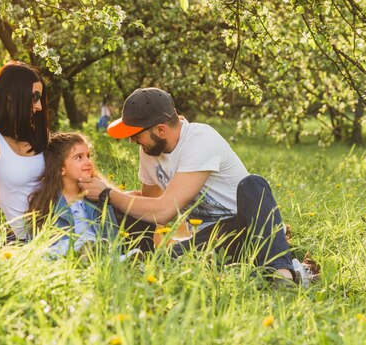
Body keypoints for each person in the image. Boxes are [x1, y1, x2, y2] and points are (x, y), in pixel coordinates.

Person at [78, 87, 302, 284]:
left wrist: (109, 193)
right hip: (210, 239)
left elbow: (165, 211)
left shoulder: (201, 140)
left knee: (253, 184)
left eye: (135, 134)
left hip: (247, 229)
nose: (131, 140)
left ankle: (283, 274)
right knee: (164, 258)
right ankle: (125, 258)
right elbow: (149, 208)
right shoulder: (149, 149)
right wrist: (112, 198)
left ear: (161, 130)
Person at [0, 60, 49, 239]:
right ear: (11, 95)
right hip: (31, 237)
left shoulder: (39, 133)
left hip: (63, 221)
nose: (39, 107)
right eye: (34, 97)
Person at [28, 132, 118, 255]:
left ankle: (123, 260)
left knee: (107, 252)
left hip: (98, 252)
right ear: (61, 168)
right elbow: (36, 243)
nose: (88, 162)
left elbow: (112, 234)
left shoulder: (99, 197)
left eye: (88, 156)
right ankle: (83, 251)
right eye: (79, 157)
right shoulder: (46, 203)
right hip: (65, 256)